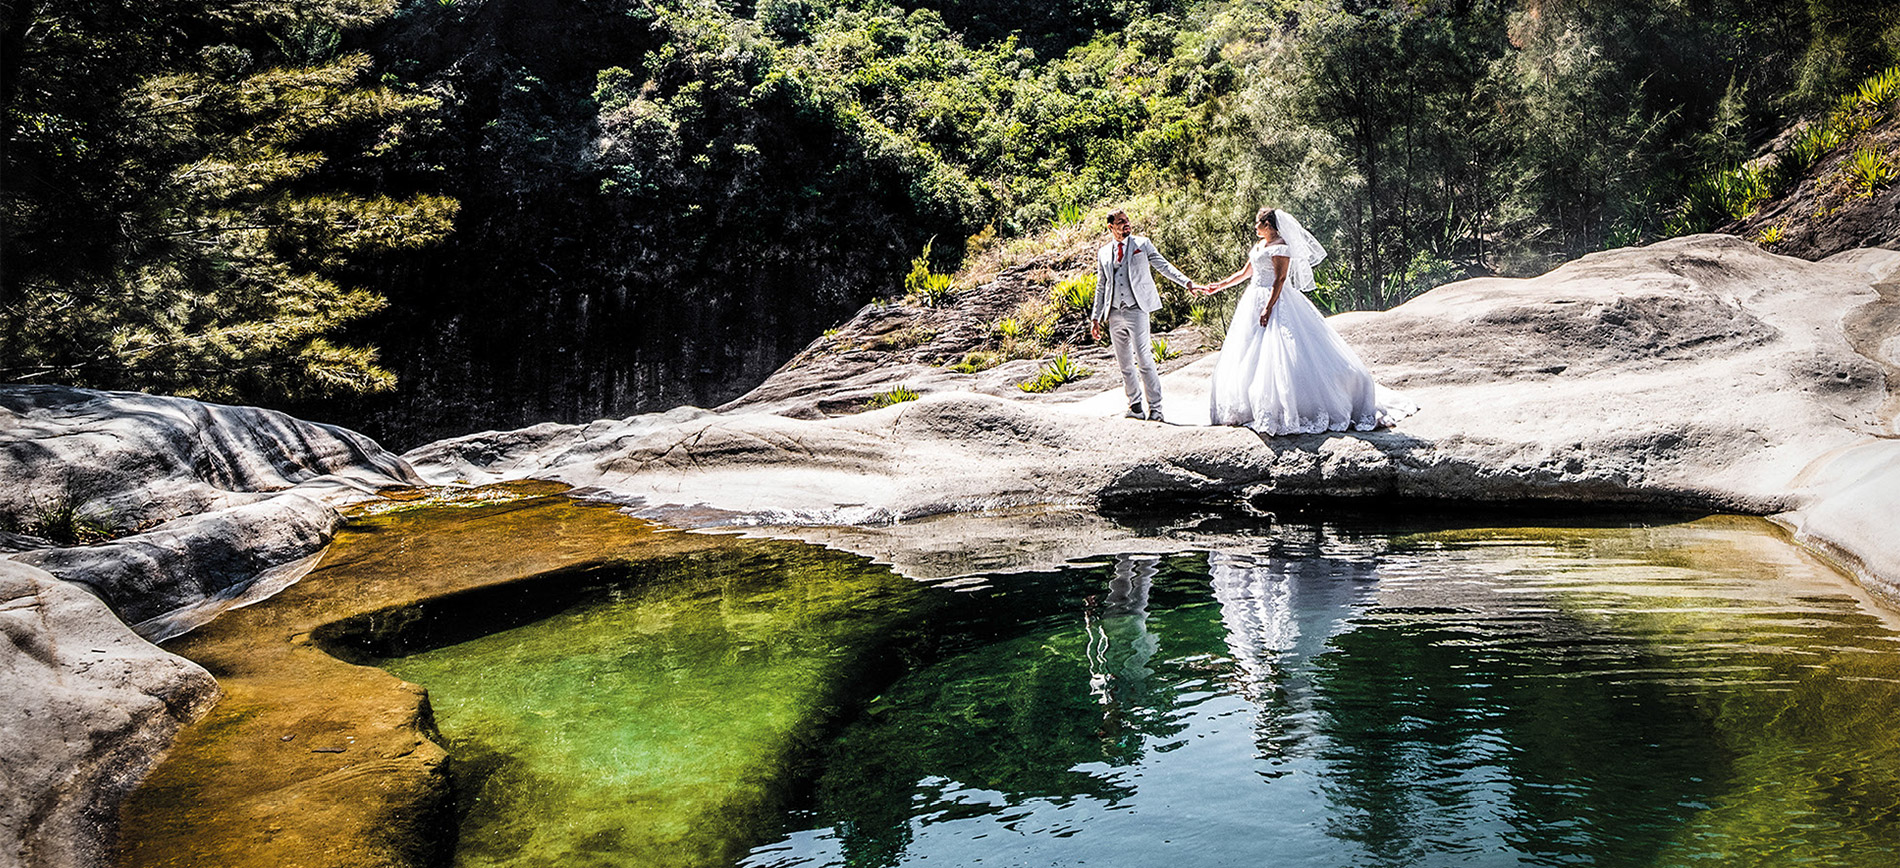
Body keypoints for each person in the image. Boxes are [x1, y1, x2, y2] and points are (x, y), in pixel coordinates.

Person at [1195, 208, 1416, 434]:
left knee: (1283, 352)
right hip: (1252, 299)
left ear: (1269, 225)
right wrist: (1218, 286)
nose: (1255, 227)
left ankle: (1293, 406)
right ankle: (1250, 407)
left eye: (1258, 223)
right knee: (1248, 351)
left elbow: (1280, 280)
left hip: (1276, 301)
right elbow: (1245, 273)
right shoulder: (1259, 245)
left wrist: (1268, 307)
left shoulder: (1281, 247)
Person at [1090, 210, 1194, 422]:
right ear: (1111, 227)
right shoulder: (1103, 253)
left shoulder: (1142, 244)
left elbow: (1163, 266)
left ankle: (1156, 409)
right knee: (1124, 363)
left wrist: (1187, 283)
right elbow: (1101, 286)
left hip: (1137, 308)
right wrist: (1096, 318)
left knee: (1144, 358)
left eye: (1127, 221)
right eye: (1121, 222)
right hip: (1114, 313)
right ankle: (1135, 406)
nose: (1126, 224)